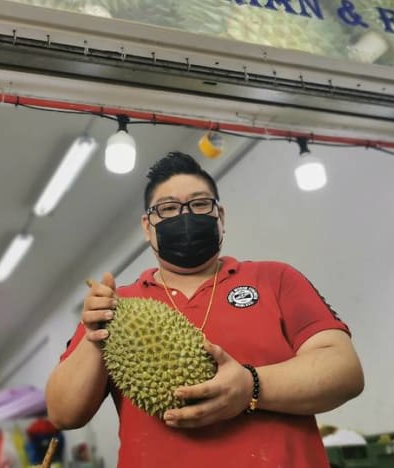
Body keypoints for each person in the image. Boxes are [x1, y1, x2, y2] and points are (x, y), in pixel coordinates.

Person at [45, 151, 364, 467]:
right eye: (168, 208)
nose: (185, 216)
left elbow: (344, 370)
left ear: (220, 216)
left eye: (199, 204)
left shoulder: (274, 278)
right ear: (147, 226)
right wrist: (94, 337)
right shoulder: (115, 307)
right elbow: (62, 413)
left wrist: (251, 387)